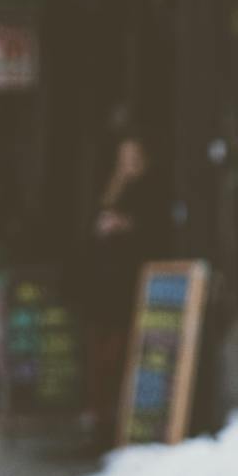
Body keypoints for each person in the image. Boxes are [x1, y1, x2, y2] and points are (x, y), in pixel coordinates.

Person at [84, 134, 167, 451]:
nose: (127, 162)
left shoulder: (150, 191)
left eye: (133, 156)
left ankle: (116, 423)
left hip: (129, 285)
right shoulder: (111, 187)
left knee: (120, 353)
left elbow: (156, 233)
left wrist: (124, 225)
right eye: (123, 156)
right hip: (104, 285)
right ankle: (100, 420)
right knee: (100, 355)